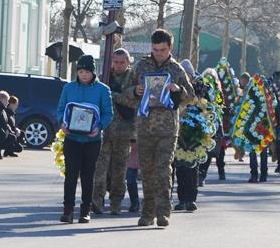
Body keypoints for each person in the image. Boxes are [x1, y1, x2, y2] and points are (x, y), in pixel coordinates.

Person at [118, 29, 194, 228]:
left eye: (162, 49)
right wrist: (135, 91)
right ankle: (147, 212)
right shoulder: (141, 66)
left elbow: (191, 97)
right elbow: (123, 94)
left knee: (163, 169)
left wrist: (179, 90)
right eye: (155, 49)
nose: (158, 53)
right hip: (144, 127)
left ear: (170, 47)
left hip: (168, 129)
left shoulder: (177, 70)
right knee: (148, 172)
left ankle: (163, 212)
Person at [55, 54, 113, 224]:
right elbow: (60, 109)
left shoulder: (103, 90)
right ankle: (68, 210)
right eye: (80, 71)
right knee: (71, 175)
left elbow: (108, 113)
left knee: (88, 176)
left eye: (87, 71)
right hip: (72, 138)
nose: (84, 75)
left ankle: (85, 210)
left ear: (93, 72)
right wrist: (62, 123)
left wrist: (99, 127)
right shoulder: (69, 88)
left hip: (92, 140)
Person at [91, 48, 135, 215]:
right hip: (104, 130)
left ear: (128, 61)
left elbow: (132, 101)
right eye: (115, 62)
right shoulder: (104, 78)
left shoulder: (133, 78)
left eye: (122, 62)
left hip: (124, 131)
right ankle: (97, 200)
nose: (118, 65)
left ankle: (116, 202)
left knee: (119, 170)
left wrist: (113, 95)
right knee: (99, 169)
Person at [238, 72, 269, 183]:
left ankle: (257, 174)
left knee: (257, 149)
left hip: (258, 124)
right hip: (258, 124)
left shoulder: (250, 92)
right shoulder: (260, 92)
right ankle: (259, 174)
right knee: (257, 149)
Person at [125, 140, 141, 213]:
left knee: (149, 180)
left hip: (146, 147)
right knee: (130, 179)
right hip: (131, 149)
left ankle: (151, 203)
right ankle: (134, 202)